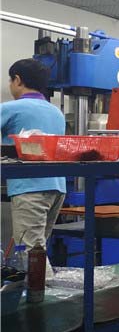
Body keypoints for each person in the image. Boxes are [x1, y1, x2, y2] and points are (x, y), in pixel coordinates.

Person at [1, 59, 66, 274]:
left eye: (10, 81)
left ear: (18, 80)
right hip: (56, 187)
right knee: (37, 250)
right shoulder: (56, 112)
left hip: (30, 188)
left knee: (31, 254)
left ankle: (43, 294)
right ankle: (39, 289)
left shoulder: (11, 108)